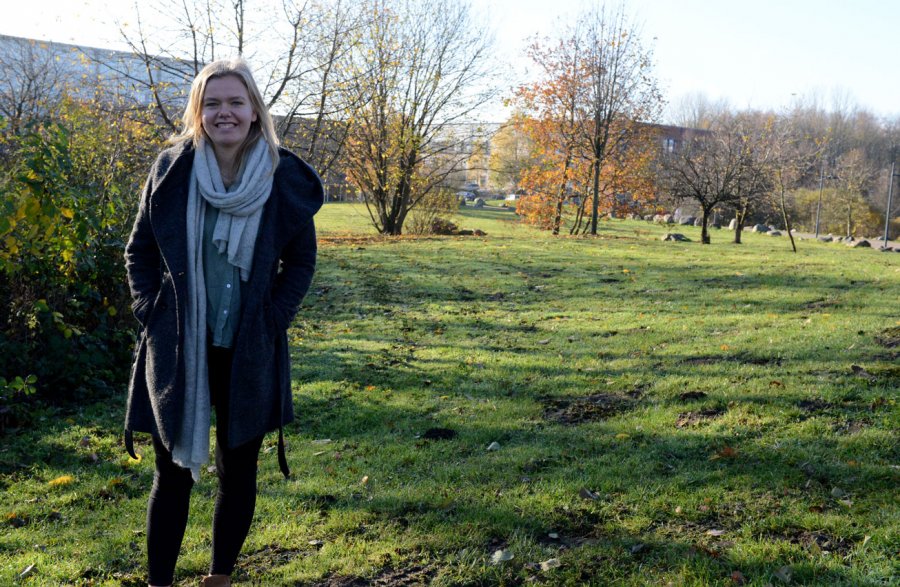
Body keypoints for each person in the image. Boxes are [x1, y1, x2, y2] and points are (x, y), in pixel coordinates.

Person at [124, 58, 323, 587]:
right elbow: (138, 252)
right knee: (171, 474)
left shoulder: (283, 177)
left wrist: (274, 316)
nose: (224, 112)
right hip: (179, 345)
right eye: (212, 103)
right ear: (198, 112)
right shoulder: (171, 170)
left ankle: (219, 577)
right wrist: (150, 310)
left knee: (239, 471)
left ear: (255, 111)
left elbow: (301, 261)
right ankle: (159, 582)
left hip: (248, 346)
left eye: (236, 102)